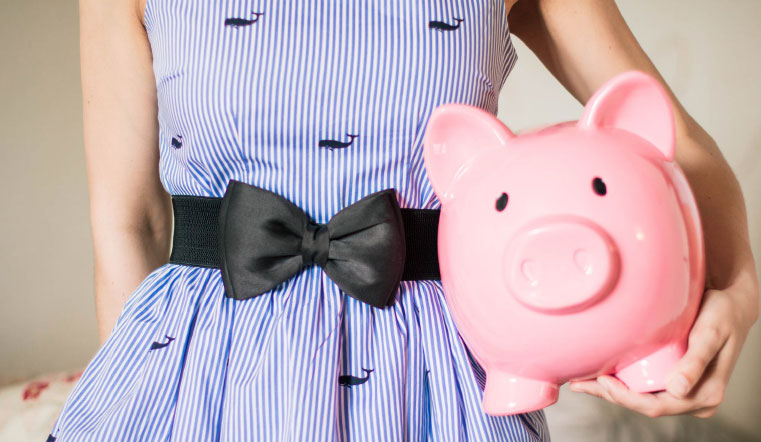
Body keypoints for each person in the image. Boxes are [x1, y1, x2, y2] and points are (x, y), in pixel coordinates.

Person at [48, 0, 759, 440]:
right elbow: (132, 224)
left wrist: (737, 292)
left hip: (430, 380)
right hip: (202, 371)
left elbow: (677, 147)